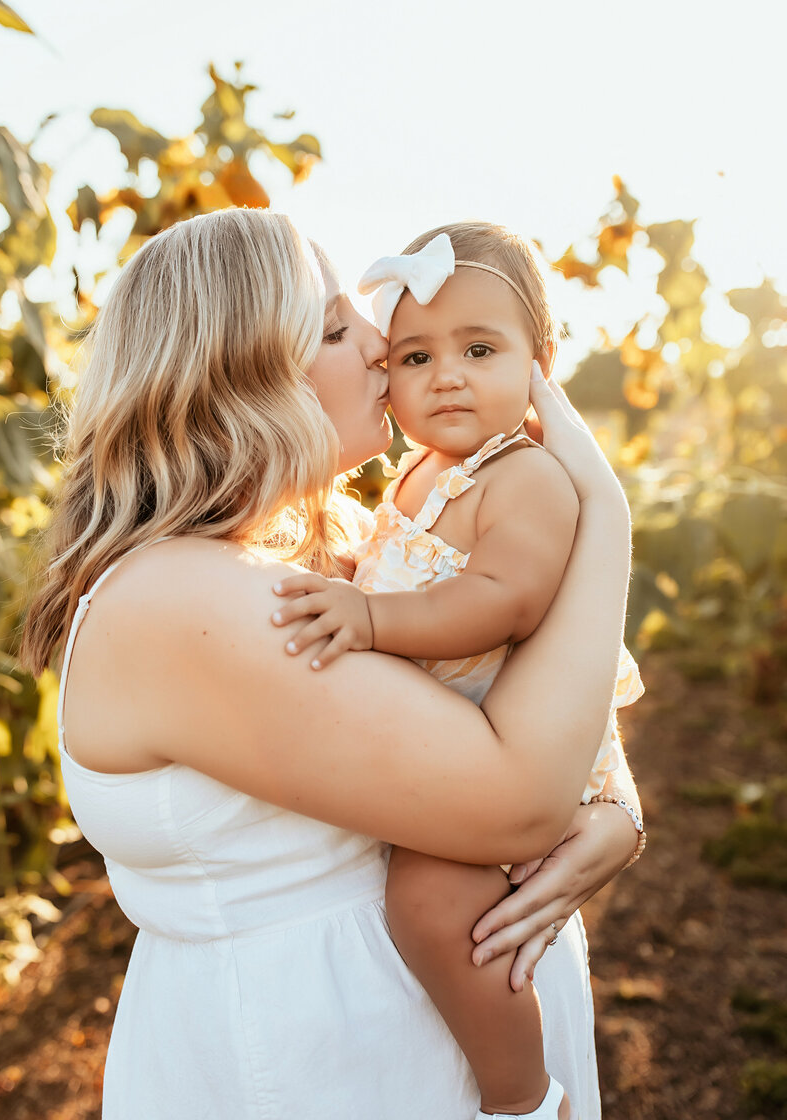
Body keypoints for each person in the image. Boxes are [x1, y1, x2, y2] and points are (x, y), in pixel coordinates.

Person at [21, 207, 641, 1120]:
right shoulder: (180, 602)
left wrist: (613, 803)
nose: (385, 347)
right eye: (342, 328)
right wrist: (607, 520)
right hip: (320, 1075)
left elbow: (503, 673)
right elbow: (516, 798)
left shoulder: (328, 552)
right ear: (253, 373)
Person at [270, 222, 645, 1120]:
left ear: (540, 366)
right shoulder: (416, 477)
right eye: (414, 355)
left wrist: (370, 617)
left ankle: (520, 1097)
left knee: (436, 904)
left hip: (517, 741)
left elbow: (500, 601)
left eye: (480, 349)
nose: (446, 376)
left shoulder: (526, 478)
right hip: (460, 739)